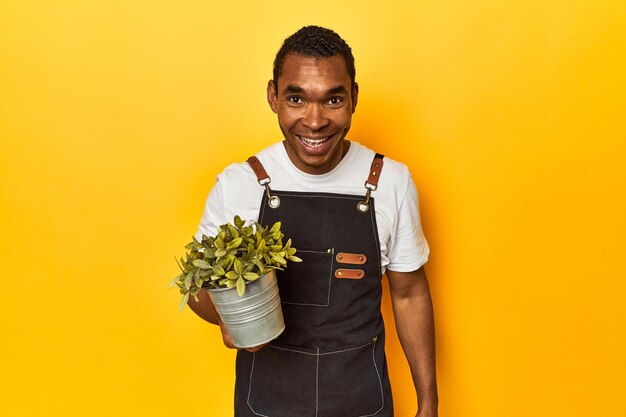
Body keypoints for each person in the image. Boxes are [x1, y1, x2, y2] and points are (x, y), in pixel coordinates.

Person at [188, 25, 438, 417]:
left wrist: (428, 403)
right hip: (266, 404)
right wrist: (230, 319)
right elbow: (197, 289)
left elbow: (409, 294)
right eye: (296, 98)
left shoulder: (389, 182)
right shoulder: (239, 184)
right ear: (273, 96)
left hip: (363, 402)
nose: (315, 120)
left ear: (353, 98)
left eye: (333, 99)